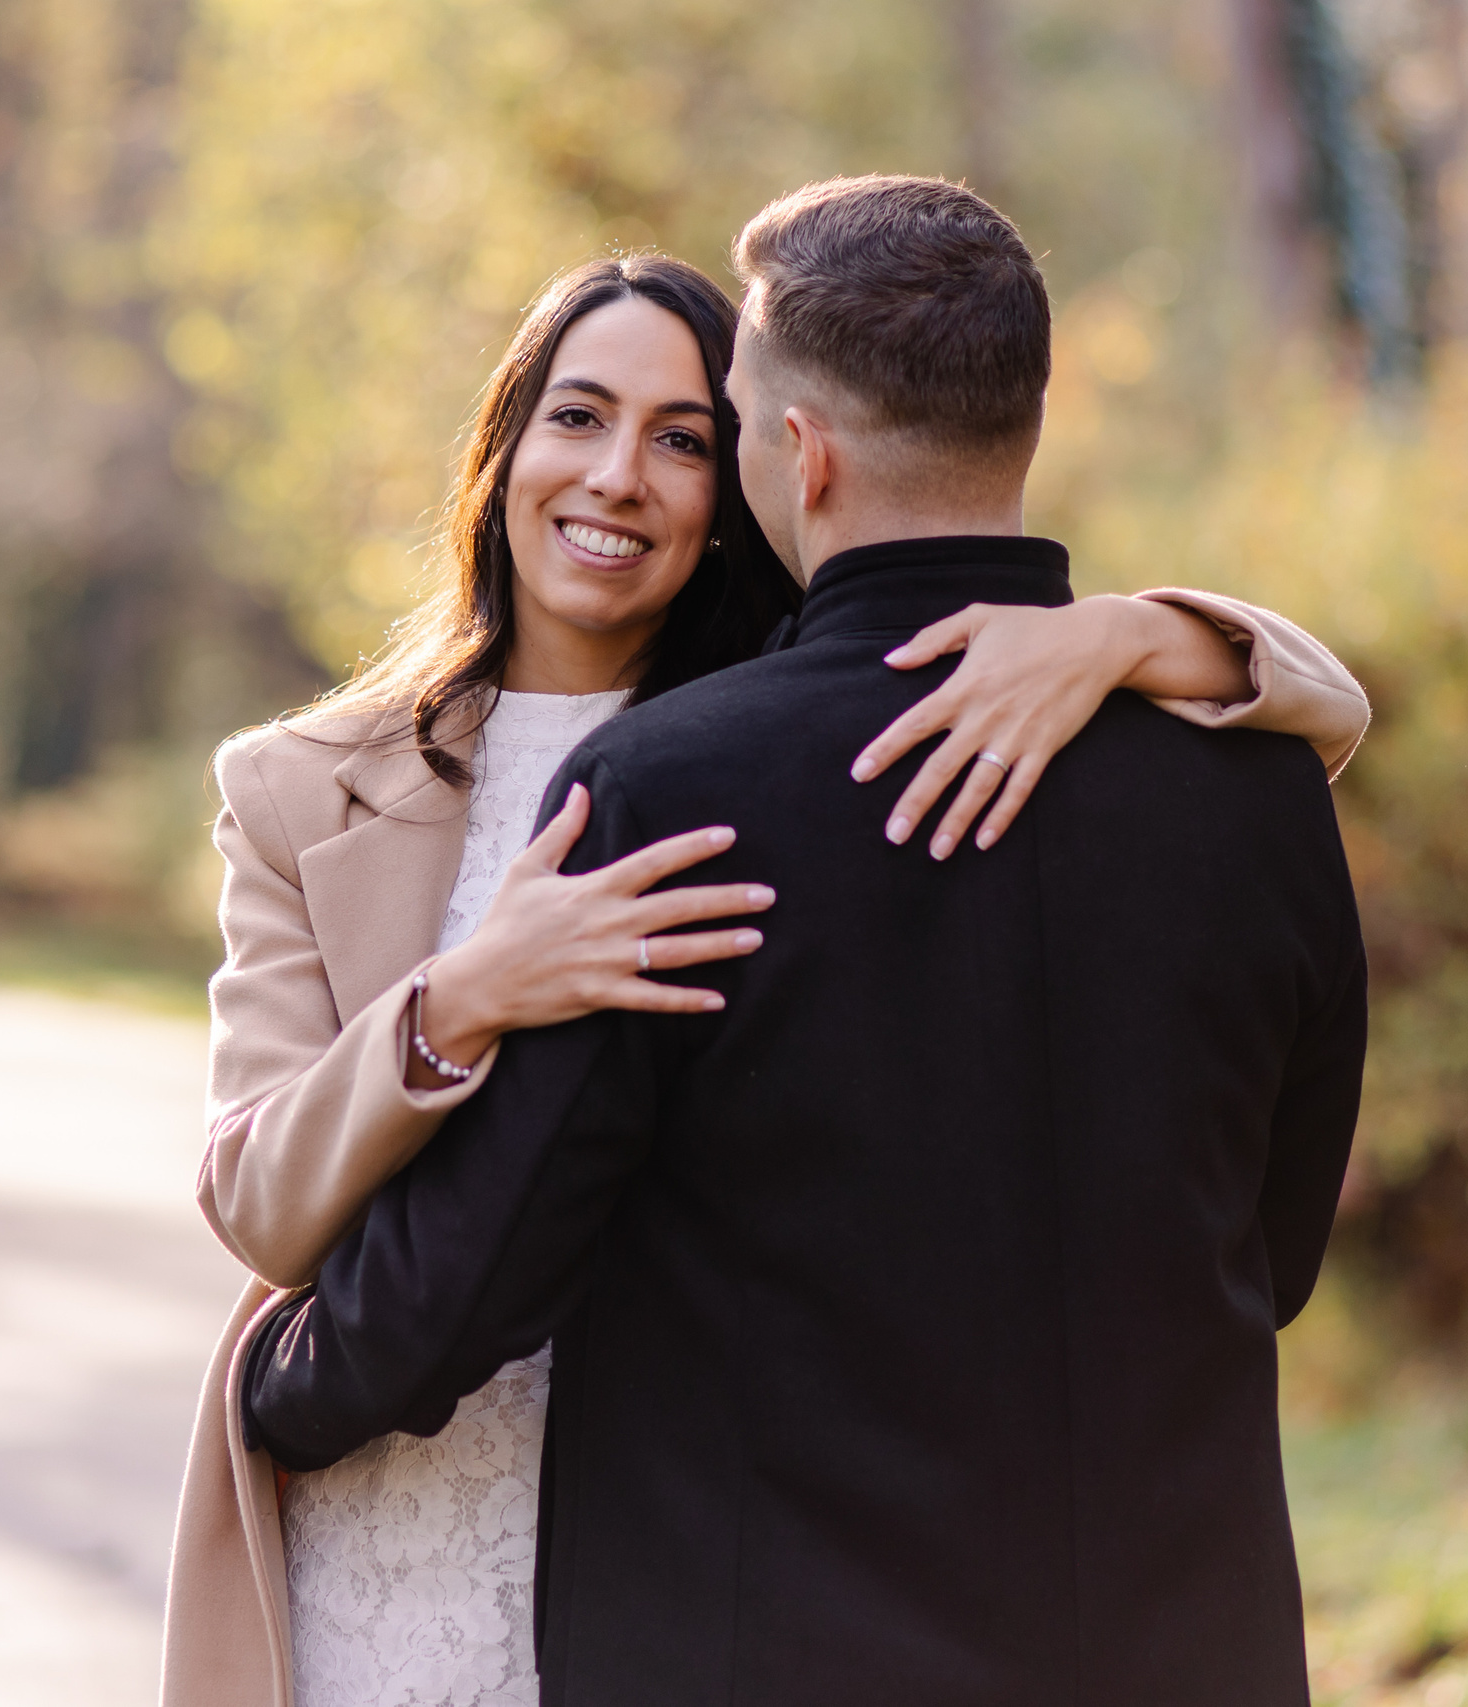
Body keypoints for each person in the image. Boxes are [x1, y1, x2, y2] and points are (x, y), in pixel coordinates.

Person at [164, 248, 1370, 1705]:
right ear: (501, 448)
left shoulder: (706, 767)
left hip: (694, 1553)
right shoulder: (316, 788)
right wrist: (462, 994)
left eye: (684, 436)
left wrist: (1135, 625)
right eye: (575, 417)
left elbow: (483, 1264)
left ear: (772, 464)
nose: (619, 476)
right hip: (442, 1528)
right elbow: (1270, 1253)